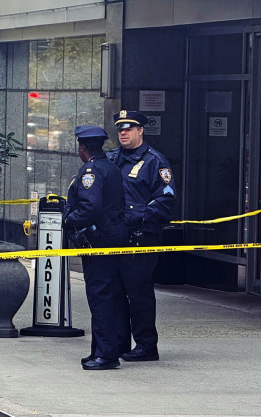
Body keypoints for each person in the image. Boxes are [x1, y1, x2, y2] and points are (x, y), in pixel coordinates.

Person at [107, 110, 176, 361]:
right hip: (114, 237)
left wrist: (139, 215)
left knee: (139, 293)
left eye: (129, 129)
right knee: (115, 293)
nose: (123, 133)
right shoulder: (111, 158)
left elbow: (166, 199)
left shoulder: (155, 161)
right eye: (120, 129)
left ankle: (146, 345)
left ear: (140, 131)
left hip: (140, 237)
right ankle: (120, 342)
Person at [63, 125, 129, 370]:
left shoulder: (91, 170)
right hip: (113, 235)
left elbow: (90, 206)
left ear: (82, 147)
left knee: (100, 296)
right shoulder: (110, 166)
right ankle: (106, 349)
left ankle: (105, 354)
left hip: (101, 239)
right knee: (111, 295)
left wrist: (68, 219)